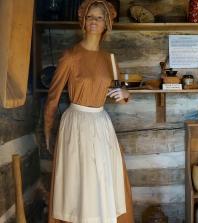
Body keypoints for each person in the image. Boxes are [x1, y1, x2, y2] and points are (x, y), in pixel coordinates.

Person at [43, 0, 134, 222]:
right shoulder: (70, 56)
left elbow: (120, 92)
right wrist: (47, 131)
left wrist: (125, 95)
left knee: (101, 178)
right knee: (78, 181)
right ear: (83, 21)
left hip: (101, 123)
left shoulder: (109, 59)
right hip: (76, 123)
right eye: (90, 17)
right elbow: (53, 96)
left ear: (107, 24)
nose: (94, 21)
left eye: (99, 17)